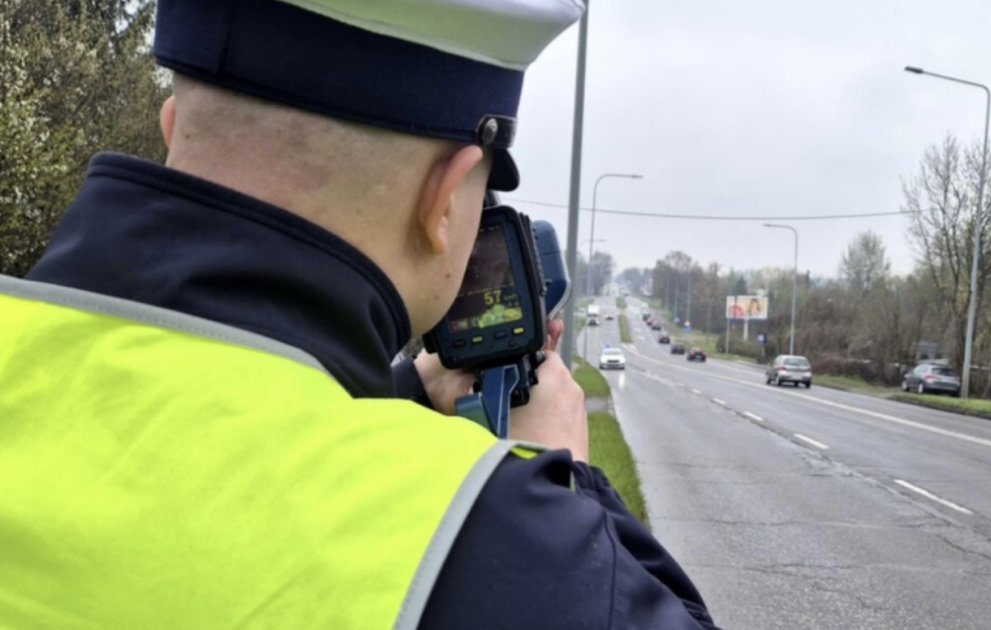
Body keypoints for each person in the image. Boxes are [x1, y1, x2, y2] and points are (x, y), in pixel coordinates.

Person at [0, 1, 718, 628]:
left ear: (171, 126)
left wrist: (404, 389)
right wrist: (563, 481)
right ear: (445, 199)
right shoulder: (499, 542)